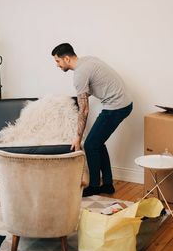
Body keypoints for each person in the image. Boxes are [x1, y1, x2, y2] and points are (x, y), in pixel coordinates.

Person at [52, 43, 133, 197]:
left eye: (58, 61)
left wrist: (77, 137)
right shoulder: (88, 60)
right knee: (97, 143)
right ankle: (108, 184)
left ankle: (95, 186)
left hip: (116, 107)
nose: (57, 65)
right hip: (124, 103)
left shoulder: (80, 74)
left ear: (67, 58)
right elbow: (91, 88)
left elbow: (84, 109)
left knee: (90, 144)